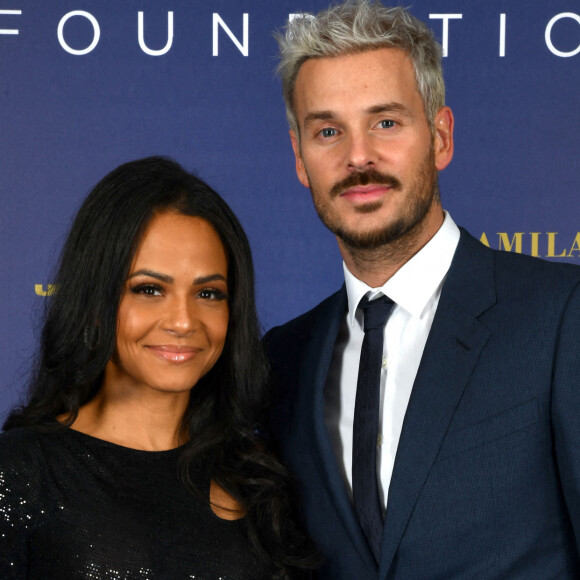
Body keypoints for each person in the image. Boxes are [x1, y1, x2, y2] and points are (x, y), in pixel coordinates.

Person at [264, 1, 580, 578]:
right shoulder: (281, 359)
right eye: (328, 130)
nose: (358, 157)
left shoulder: (561, 315)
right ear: (300, 158)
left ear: (440, 137)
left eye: (386, 122)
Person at [0, 156, 317, 579]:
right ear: (96, 303)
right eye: (149, 289)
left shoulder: (258, 476)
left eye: (208, 293)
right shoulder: (22, 473)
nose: (183, 321)